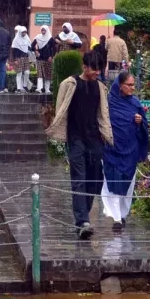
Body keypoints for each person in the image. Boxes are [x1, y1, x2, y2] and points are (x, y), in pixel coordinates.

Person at [46, 56, 113, 239]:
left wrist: (106, 133)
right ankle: (82, 221)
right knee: (79, 179)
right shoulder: (70, 84)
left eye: (99, 69)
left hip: (95, 139)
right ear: (84, 67)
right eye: (93, 69)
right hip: (75, 139)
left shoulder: (100, 87)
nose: (97, 73)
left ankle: (84, 214)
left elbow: (103, 113)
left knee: (94, 180)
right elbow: (60, 109)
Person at [102, 70, 150, 234]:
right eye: (129, 85)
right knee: (113, 183)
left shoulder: (135, 103)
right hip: (112, 150)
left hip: (130, 151)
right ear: (120, 86)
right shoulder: (108, 103)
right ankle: (115, 218)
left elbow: (144, 126)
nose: (132, 88)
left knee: (127, 185)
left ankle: (122, 214)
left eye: (133, 85)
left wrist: (139, 121)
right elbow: (101, 122)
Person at [32, 25, 57, 93]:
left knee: (47, 74)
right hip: (39, 58)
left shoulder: (50, 38)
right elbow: (31, 46)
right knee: (40, 74)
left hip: (48, 59)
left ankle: (47, 89)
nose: (43, 31)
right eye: (42, 30)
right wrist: (35, 50)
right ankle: (39, 89)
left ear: (47, 30)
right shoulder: (38, 37)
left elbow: (54, 49)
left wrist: (51, 56)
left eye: (44, 30)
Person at [9, 24, 33, 92]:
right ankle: (18, 88)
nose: (24, 33)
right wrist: (15, 59)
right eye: (23, 32)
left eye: (25, 32)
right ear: (20, 32)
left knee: (27, 72)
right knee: (19, 73)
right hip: (19, 58)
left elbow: (30, 48)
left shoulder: (27, 39)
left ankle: (25, 85)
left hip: (26, 58)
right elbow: (13, 51)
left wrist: (32, 56)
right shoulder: (16, 40)